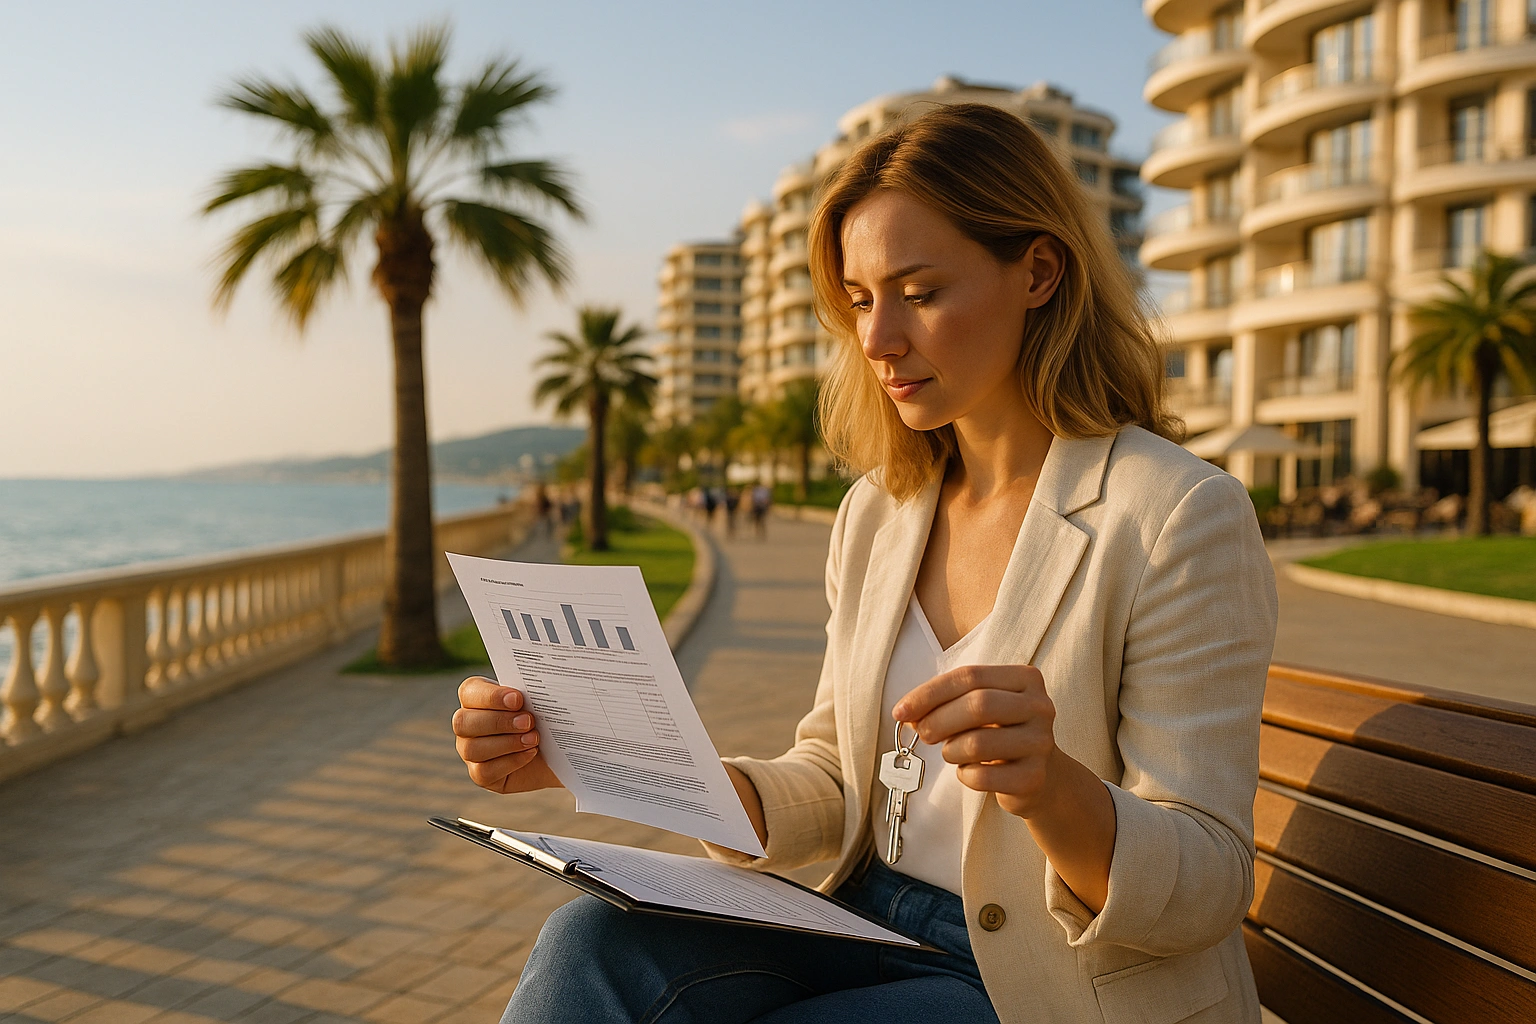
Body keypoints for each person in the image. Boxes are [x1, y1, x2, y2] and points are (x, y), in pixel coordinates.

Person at [453, 104, 1277, 1023]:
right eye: (859, 300)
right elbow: (837, 777)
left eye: (919, 292)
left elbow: (1209, 881)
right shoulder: (880, 513)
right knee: (590, 943)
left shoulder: (1174, 515)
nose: (878, 340)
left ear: (1039, 271)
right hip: (868, 923)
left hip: (1052, 978)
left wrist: (1050, 786)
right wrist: (601, 756)